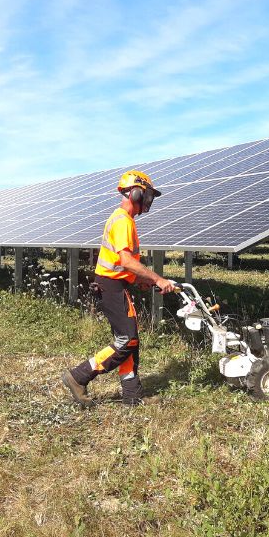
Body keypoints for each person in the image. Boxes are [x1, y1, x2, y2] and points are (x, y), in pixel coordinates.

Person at [62, 170, 176, 407]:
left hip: (116, 285)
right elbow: (126, 261)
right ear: (136, 193)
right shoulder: (123, 220)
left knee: (131, 341)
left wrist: (138, 281)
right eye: (147, 196)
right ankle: (79, 375)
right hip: (110, 287)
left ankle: (132, 396)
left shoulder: (125, 220)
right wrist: (157, 279)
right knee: (126, 340)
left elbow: (121, 264)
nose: (149, 202)